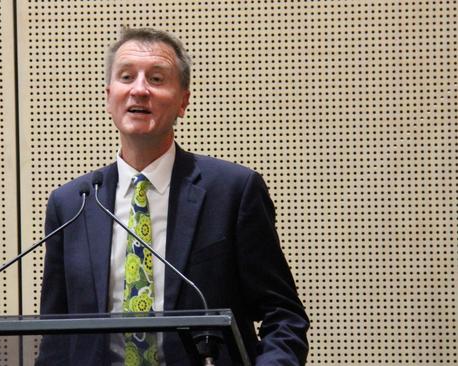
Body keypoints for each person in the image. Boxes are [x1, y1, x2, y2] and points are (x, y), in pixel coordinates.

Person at [37, 27, 309, 366]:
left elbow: (282, 314)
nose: (139, 90)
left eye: (156, 78)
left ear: (183, 100)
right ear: (109, 96)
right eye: (126, 77)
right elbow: (55, 336)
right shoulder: (71, 205)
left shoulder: (233, 192)